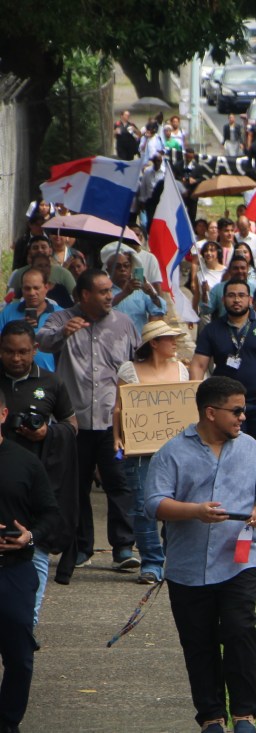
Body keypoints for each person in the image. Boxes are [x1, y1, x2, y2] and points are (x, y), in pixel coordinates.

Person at [145, 376, 256, 733]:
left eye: (243, 410)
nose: (242, 418)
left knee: (240, 630)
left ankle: (244, 715)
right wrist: (194, 511)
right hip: (187, 567)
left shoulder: (251, 448)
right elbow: (154, 503)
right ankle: (211, 718)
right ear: (210, 412)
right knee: (198, 641)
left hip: (239, 561)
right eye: (236, 411)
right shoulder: (172, 452)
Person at [37, 270, 141, 572]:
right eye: (103, 291)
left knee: (118, 483)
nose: (110, 295)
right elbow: (41, 342)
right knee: (77, 486)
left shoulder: (124, 323)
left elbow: (136, 363)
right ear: (84, 295)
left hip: (113, 421)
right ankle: (81, 547)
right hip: (75, 422)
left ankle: (123, 547)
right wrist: (62, 333)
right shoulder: (61, 318)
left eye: (110, 290)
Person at [190, 280, 256, 496]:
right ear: (223, 300)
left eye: (241, 295)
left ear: (250, 300)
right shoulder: (213, 329)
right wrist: (199, 399)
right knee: (231, 453)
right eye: (231, 295)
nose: (236, 299)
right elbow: (199, 364)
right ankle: (236, 500)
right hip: (226, 408)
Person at [0, 321, 77, 618]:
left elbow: (72, 427)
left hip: (36, 480)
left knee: (36, 547)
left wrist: (48, 433)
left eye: (23, 352)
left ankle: (25, 625)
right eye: (8, 352)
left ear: (35, 350)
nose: (16, 359)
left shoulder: (52, 383)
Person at [0, 387, 60, 733]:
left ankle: (8, 722)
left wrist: (30, 537)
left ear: (4, 415)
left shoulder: (25, 462)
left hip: (15, 569)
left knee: (19, 656)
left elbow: (50, 514)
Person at [112, 321, 189, 585]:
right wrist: (117, 438)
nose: (174, 342)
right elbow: (119, 408)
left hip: (176, 451)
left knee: (176, 504)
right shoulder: (130, 370)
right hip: (140, 451)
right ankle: (152, 563)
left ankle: (174, 559)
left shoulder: (181, 370)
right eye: (169, 338)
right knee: (144, 506)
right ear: (154, 343)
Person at [0, 269, 62, 371]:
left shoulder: (60, 314)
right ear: (22, 289)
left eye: (36, 288)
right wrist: (18, 328)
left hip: (48, 377)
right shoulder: (8, 312)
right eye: (27, 288)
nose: (32, 293)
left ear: (46, 287)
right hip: (12, 375)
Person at [106, 252, 167, 336]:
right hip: (114, 343)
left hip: (138, 343)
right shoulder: (104, 290)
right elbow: (101, 308)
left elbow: (159, 310)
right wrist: (125, 293)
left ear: (131, 268)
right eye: (117, 266)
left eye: (126, 265)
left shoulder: (140, 289)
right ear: (108, 270)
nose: (123, 269)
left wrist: (152, 294)